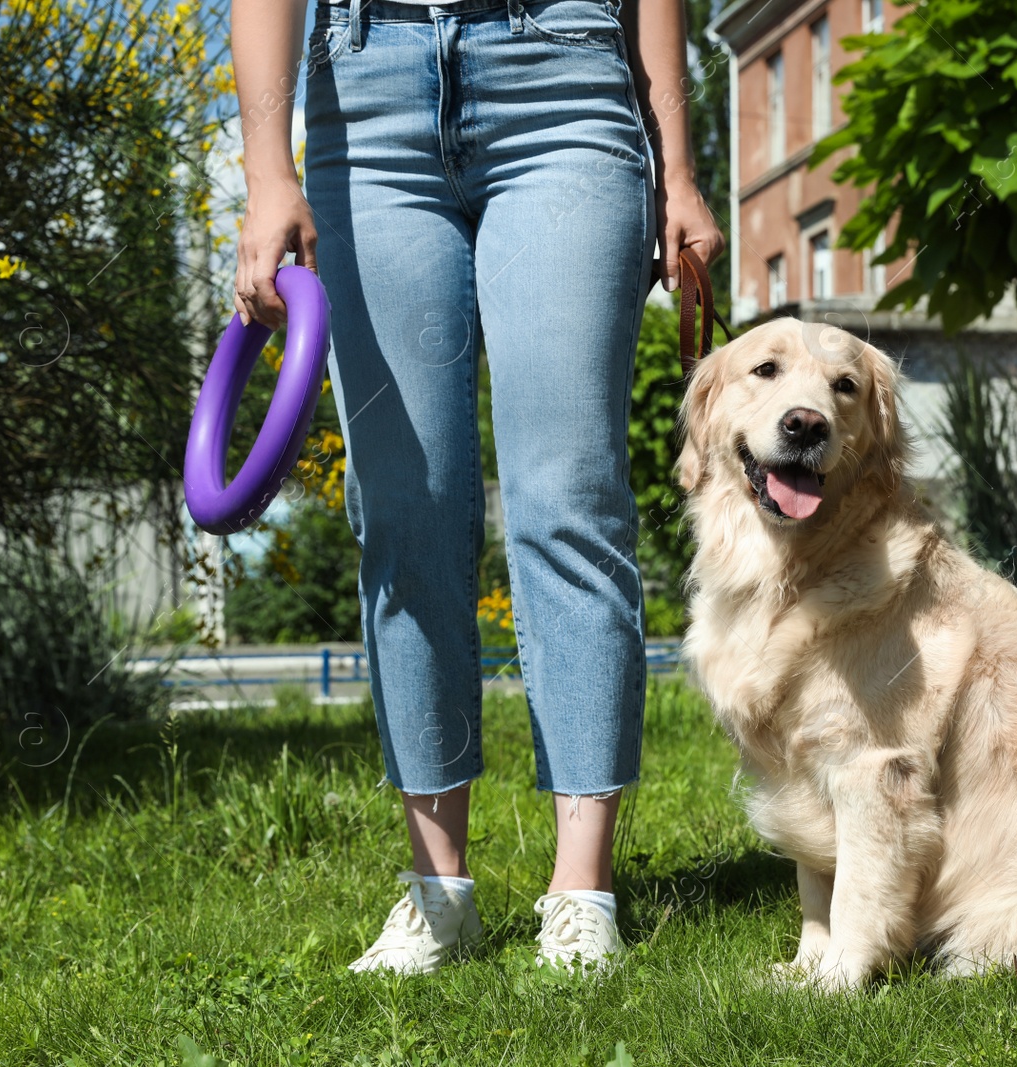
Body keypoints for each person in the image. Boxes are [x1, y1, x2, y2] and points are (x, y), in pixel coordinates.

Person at [230, 0, 722, 975]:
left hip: (567, 82)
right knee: (404, 506)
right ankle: (437, 890)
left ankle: (581, 892)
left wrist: (680, 170)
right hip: (365, 93)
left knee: (567, 495)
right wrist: (266, 174)